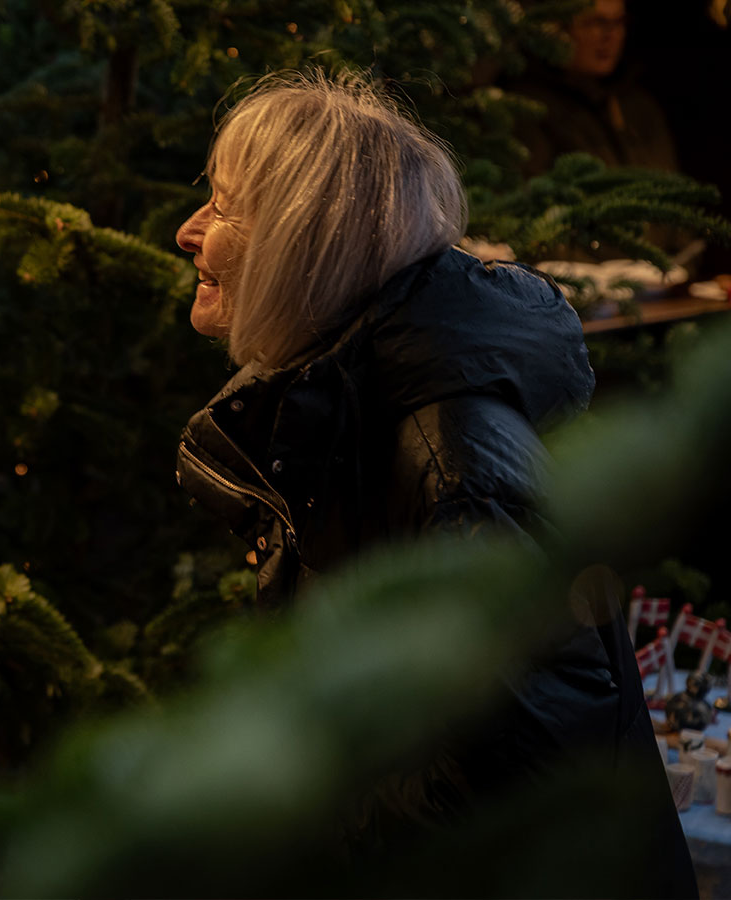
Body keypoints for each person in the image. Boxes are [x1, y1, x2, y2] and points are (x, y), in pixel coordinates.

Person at [173, 70, 694, 894]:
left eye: (226, 206)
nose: (187, 231)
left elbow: (526, 776)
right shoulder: (348, 406)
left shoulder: (455, 462)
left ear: (308, 243)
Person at [510, 0, 678, 176]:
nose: (610, 35)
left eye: (619, 22)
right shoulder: (529, 108)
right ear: (556, 28)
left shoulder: (637, 106)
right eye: (596, 22)